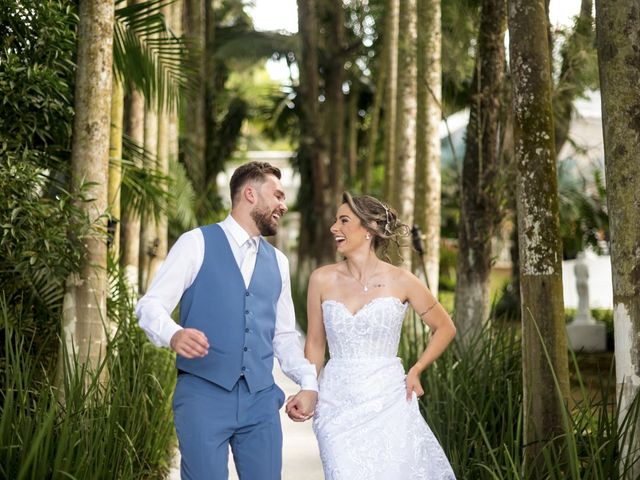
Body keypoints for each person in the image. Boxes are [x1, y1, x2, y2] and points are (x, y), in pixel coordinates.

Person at [136, 161, 318, 480]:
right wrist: (174, 334)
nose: (283, 204)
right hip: (203, 396)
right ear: (249, 193)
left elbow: (285, 337)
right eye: (276, 195)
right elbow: (150, 305)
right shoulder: (196, 243)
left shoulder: (278, 262)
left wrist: (308, 383)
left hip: (260, 400)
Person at [291, 192, 457, 479]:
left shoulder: (402, 280)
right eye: (335, 221)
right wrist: (309, 389)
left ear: (369, 229)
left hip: (389, 400)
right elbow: (316, 343)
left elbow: (445, 327)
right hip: (336, 403)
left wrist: (417, 369)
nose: (334, 228)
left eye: (343, 220)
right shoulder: (321, 279)